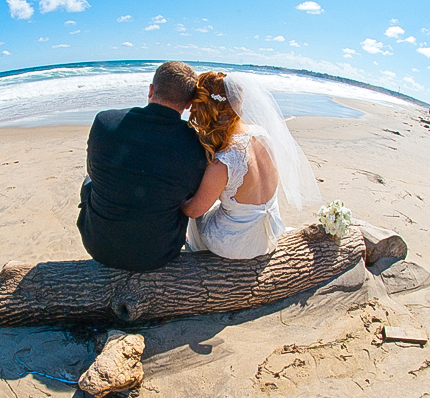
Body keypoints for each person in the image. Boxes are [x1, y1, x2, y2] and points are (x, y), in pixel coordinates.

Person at [77, 62, 207, 271]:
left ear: (151, 90)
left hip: (97, 245)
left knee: (90, 180)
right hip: (158, 254)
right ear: (189, 104)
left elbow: (93, 172)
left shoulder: (104, 121)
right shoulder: (196, 144)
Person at [182, 71, 321, 259]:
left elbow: (194, 211)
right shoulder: (262, 135)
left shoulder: (224, 161)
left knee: (196, 210)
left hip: (237, 244)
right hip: (269, 232)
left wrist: (175, 199)